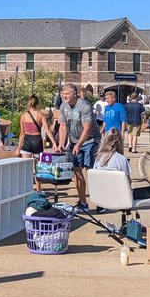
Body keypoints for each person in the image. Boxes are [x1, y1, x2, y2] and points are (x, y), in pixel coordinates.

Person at [59, 82, 97, 210]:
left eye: (67, 93)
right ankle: (83, 202)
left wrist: (79, 144)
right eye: (63, 94)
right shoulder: (63, 106)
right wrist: (61, 144)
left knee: (91, 172)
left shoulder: (84, 106)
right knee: (77, 171)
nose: (64, 96)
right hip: (74, 141)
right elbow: (63, 126)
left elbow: (87, 128)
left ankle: (100, 202)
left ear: (74, 94)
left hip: (90, 141)